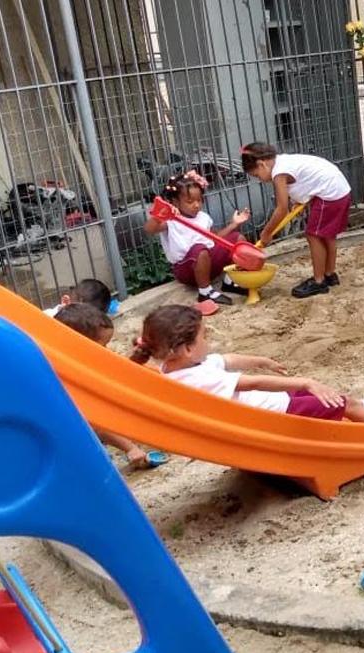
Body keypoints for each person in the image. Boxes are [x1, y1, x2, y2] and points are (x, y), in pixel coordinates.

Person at [130, 304, 364, 441]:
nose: (208, 341)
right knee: (339, 402)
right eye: (204, 336)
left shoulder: (174, 367)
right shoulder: (197, 378)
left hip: (268, 406)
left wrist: (261, 358)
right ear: (185, 348)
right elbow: (251, 384)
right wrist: (305, 381)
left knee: (327, 396)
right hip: (276, 416)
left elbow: (229, 360)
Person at [242, 143, 353, 298]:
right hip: (339, 190)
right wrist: (299, 199)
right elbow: (306, 180)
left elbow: (282, 209)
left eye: (256, 175)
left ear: (262, 164)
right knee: (327, 235)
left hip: (329, 195)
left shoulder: (279, 174)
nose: (259, 179)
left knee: (313, 235)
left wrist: (266, 233)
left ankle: (319, 281)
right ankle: (329, 274)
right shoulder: (283, 161)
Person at [55, 303, 157, 469]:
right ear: (78, 344)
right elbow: (97, 422)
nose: (106, 350)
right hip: (72, 433)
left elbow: (117, 377)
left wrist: (135, 361)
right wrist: (130, 448)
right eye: (102, 346)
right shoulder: (66, 378)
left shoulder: (82, 360)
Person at [144, 170, 250, 306]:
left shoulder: (203, 217)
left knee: (237, 238)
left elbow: (215, 238)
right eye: (190, 201)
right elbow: (149, 229)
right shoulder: (171, 221)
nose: (196, 205)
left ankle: (230, 280)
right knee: (200, 249)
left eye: (199, 200)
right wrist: (160, 215)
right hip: (187, 270)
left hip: (209, 263)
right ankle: (205, 292)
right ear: (175, 202)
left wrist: (234, 224)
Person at [42, 278, 113, 317]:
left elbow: (46, 316)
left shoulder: (67, 318)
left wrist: (61, 310)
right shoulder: (95, 327)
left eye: (73, 289)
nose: (70, 292)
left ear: (80, 302)